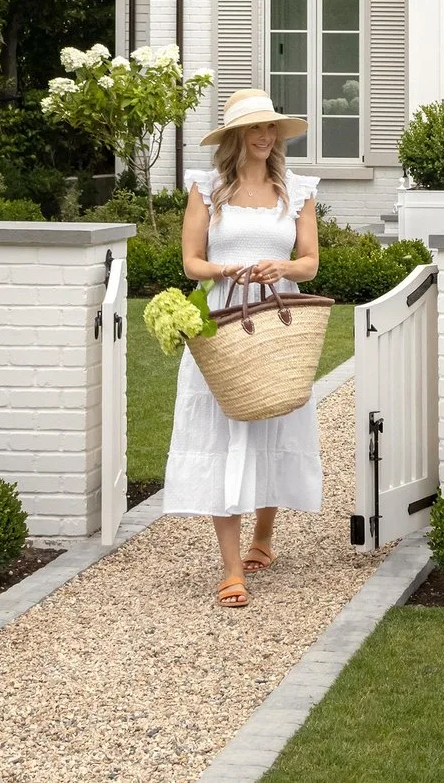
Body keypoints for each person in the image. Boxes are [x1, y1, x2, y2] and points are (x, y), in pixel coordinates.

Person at [162, 87, 323, 609]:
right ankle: (231, 568)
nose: (264, 135)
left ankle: (263, 538)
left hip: (277, 321)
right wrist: (224, 269)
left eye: (270, 127)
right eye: (255, 128)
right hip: (222, 321)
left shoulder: (296, 190)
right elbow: (191, 261)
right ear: (235, 137)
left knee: (273, 421)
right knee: (222, 435)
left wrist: (282, 267)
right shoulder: (207, 190)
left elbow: (310, 264)